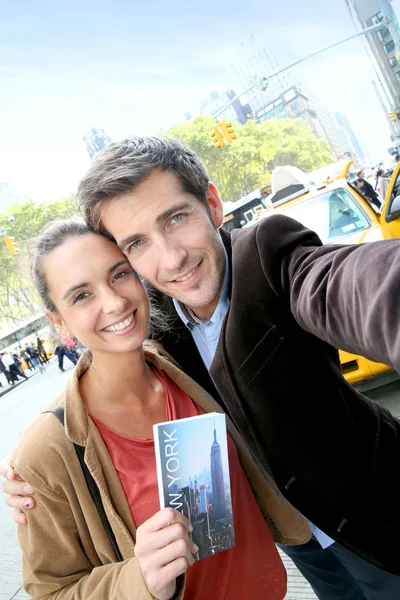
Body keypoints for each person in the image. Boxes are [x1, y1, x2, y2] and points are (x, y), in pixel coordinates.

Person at [4, 137, 400, 598]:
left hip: (379, 515)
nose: (171, 258)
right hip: (300, 540)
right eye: (137, 244)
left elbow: (353, 286)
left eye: (176, 218)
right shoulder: (156, 321)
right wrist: (34, 461)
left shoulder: (270, 258)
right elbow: (106, 353)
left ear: (212, 204)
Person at [6, 218, 293, 600]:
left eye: (119, 274)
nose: (114, 302)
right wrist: (138, 579)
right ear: (59, 322)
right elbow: (51, 590)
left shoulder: (181, 359)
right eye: (81, 296)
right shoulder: (48, 453)